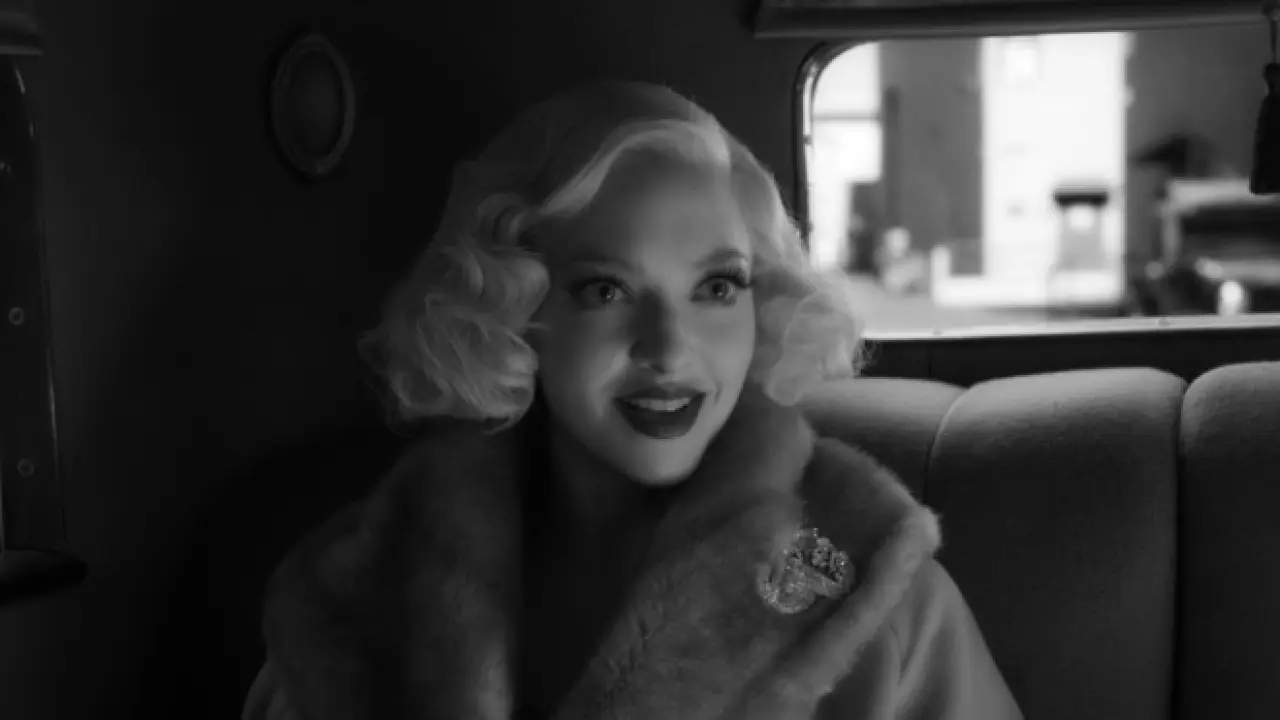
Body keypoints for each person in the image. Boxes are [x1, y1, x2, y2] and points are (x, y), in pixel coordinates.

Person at [240, 80, 1022, 720]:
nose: (669, 348)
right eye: (605, 290)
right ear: (514, 312)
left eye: (718, 287)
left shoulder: (869, 594)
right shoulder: (358, 601)